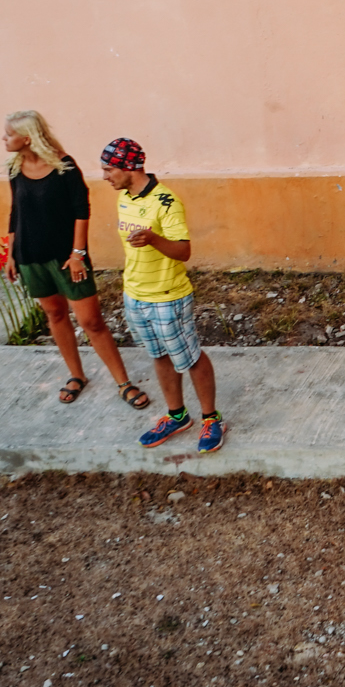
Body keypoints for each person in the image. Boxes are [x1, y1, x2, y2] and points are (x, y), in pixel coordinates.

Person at [3, 110, 149, 411]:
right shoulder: (14, 168)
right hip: (30, 257)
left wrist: (77, 254)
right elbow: (16, 211)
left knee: (91, 321)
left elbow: (81, 211)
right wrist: (11, 254)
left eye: (9, 134)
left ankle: (123, 382)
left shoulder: (64, 168)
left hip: (66, 259)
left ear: (27, 138)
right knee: (55, 315)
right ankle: (76, 375)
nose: (3, 139)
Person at [100, 137, 225, 453]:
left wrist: (154, 239)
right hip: (135, 294)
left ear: (129, 167)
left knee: (190, 357)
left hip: (168, 296)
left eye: (109, 169)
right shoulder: (124, 197)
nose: (104, 176)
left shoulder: (167, 202)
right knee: (158, 355)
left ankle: (212, 419)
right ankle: (177, 416)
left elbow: (184, 251)